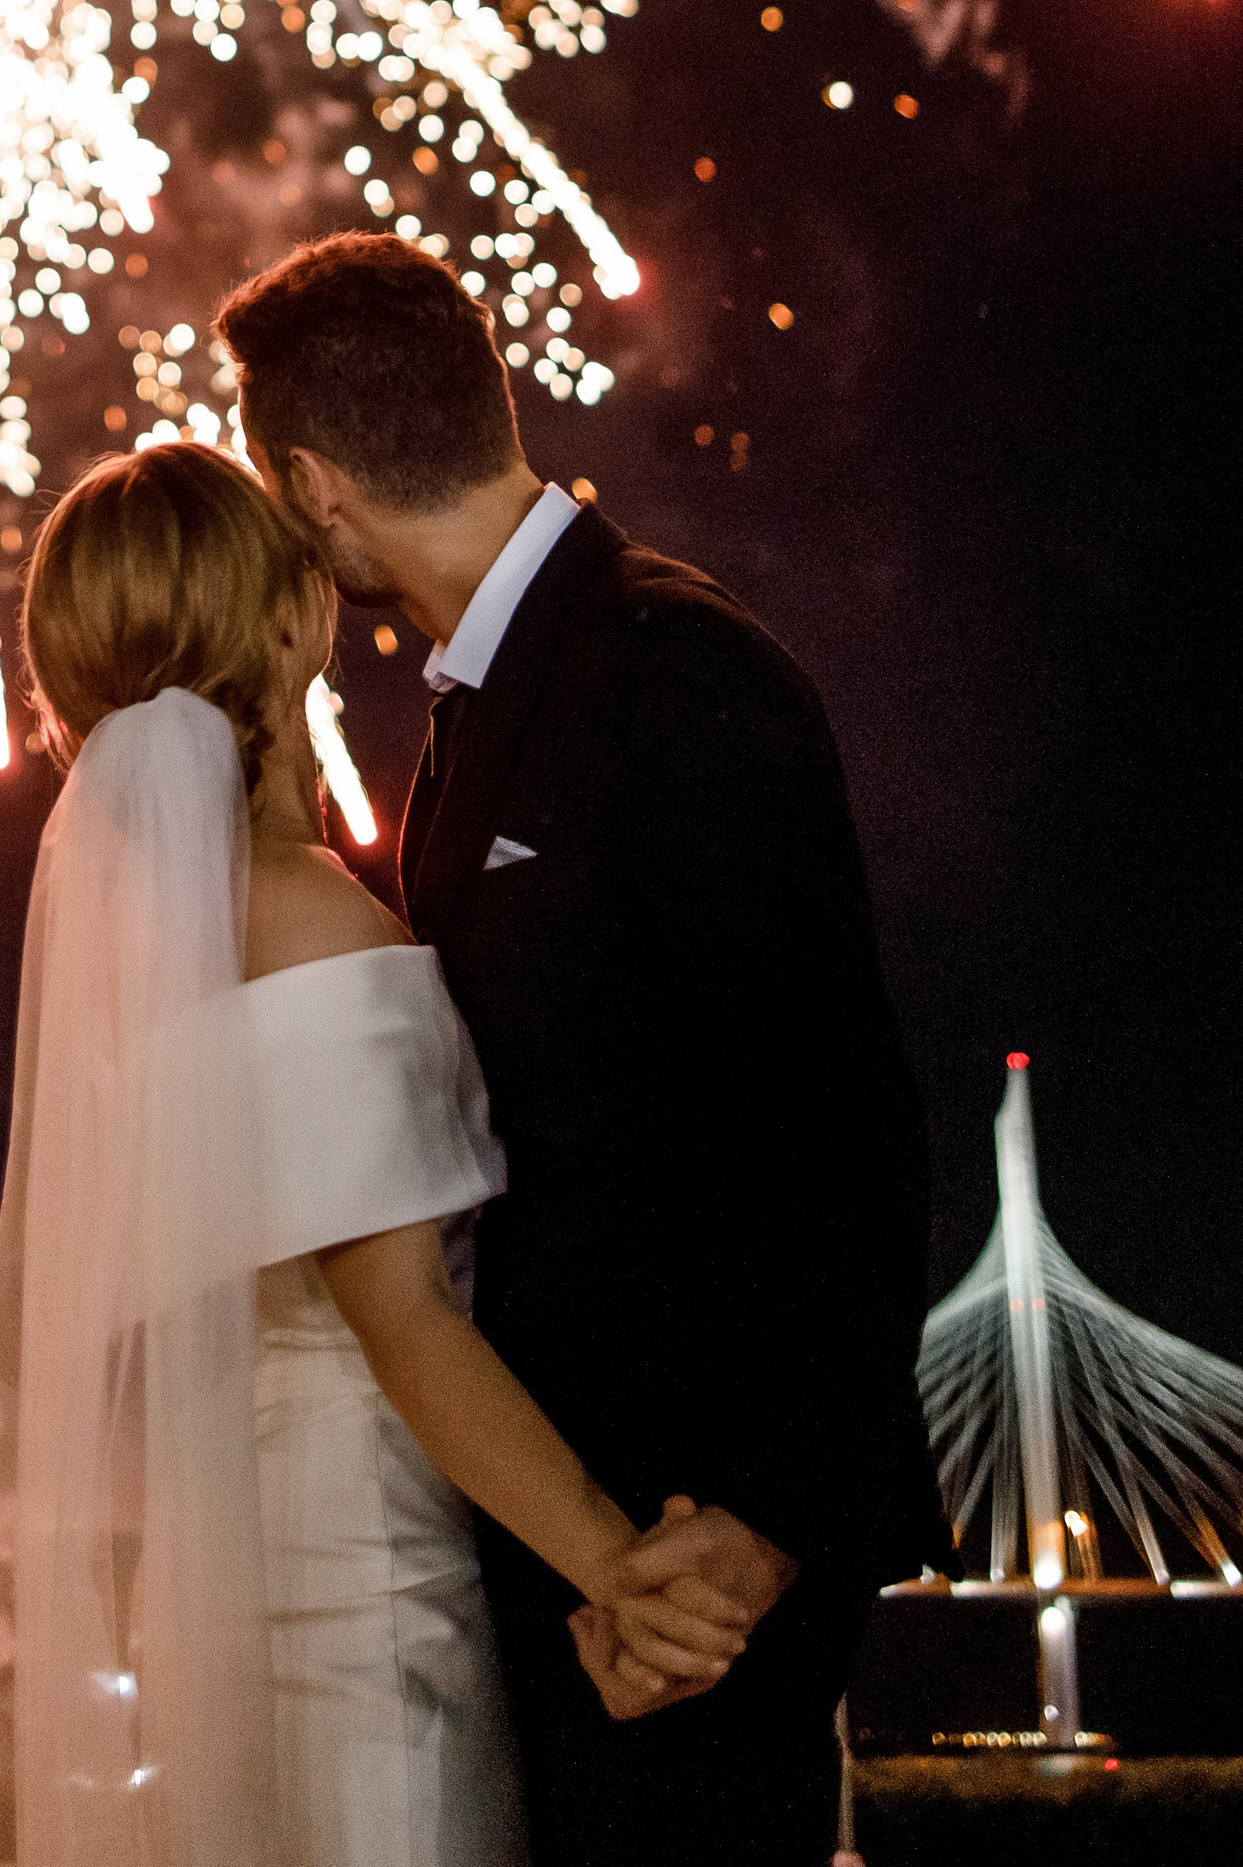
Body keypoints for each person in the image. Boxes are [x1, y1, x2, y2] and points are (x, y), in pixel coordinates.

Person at [214, 231, 954, 1867]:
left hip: (693, 1557)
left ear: (315, 489)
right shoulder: (482, 702)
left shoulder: (672, 665)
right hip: (574, 1544)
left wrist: (754, 1535)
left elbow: (840, 1130)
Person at [0, 440, 756, 1867]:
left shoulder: (119, 968)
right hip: (367, 1604)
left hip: (203, 1614)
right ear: (291, 622)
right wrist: (616, 1570)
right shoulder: (313, 924)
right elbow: (399, 1319)